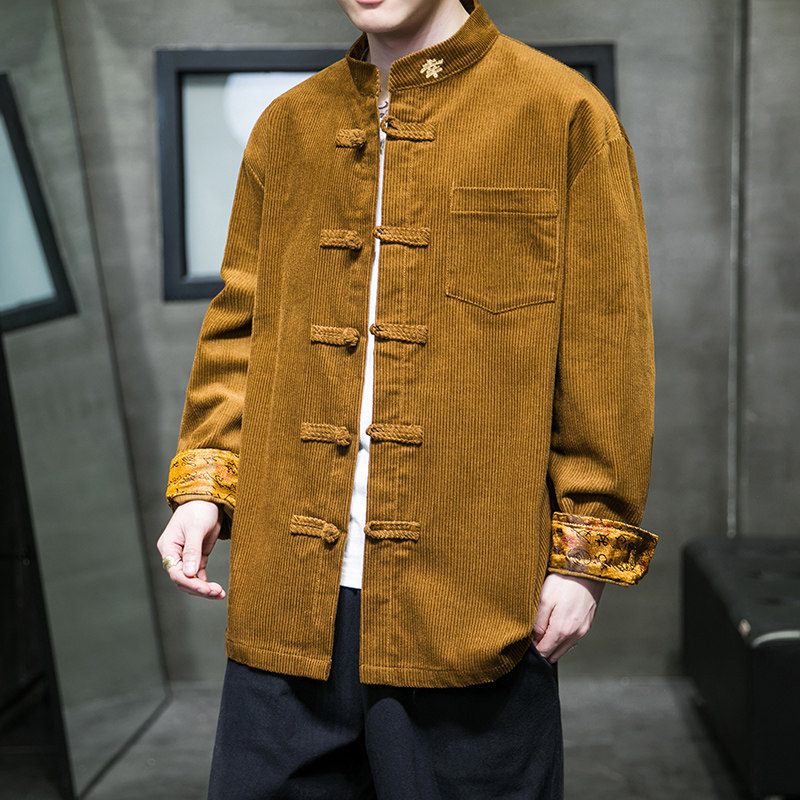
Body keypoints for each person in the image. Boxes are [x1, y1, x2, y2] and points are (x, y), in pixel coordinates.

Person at [157, 0, 657, 797]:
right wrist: (204, 487)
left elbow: (607, 345)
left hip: (472, 603)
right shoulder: (288, 126)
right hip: (287, 604)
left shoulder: (562, 113)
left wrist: (584, 559)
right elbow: (239, 325)